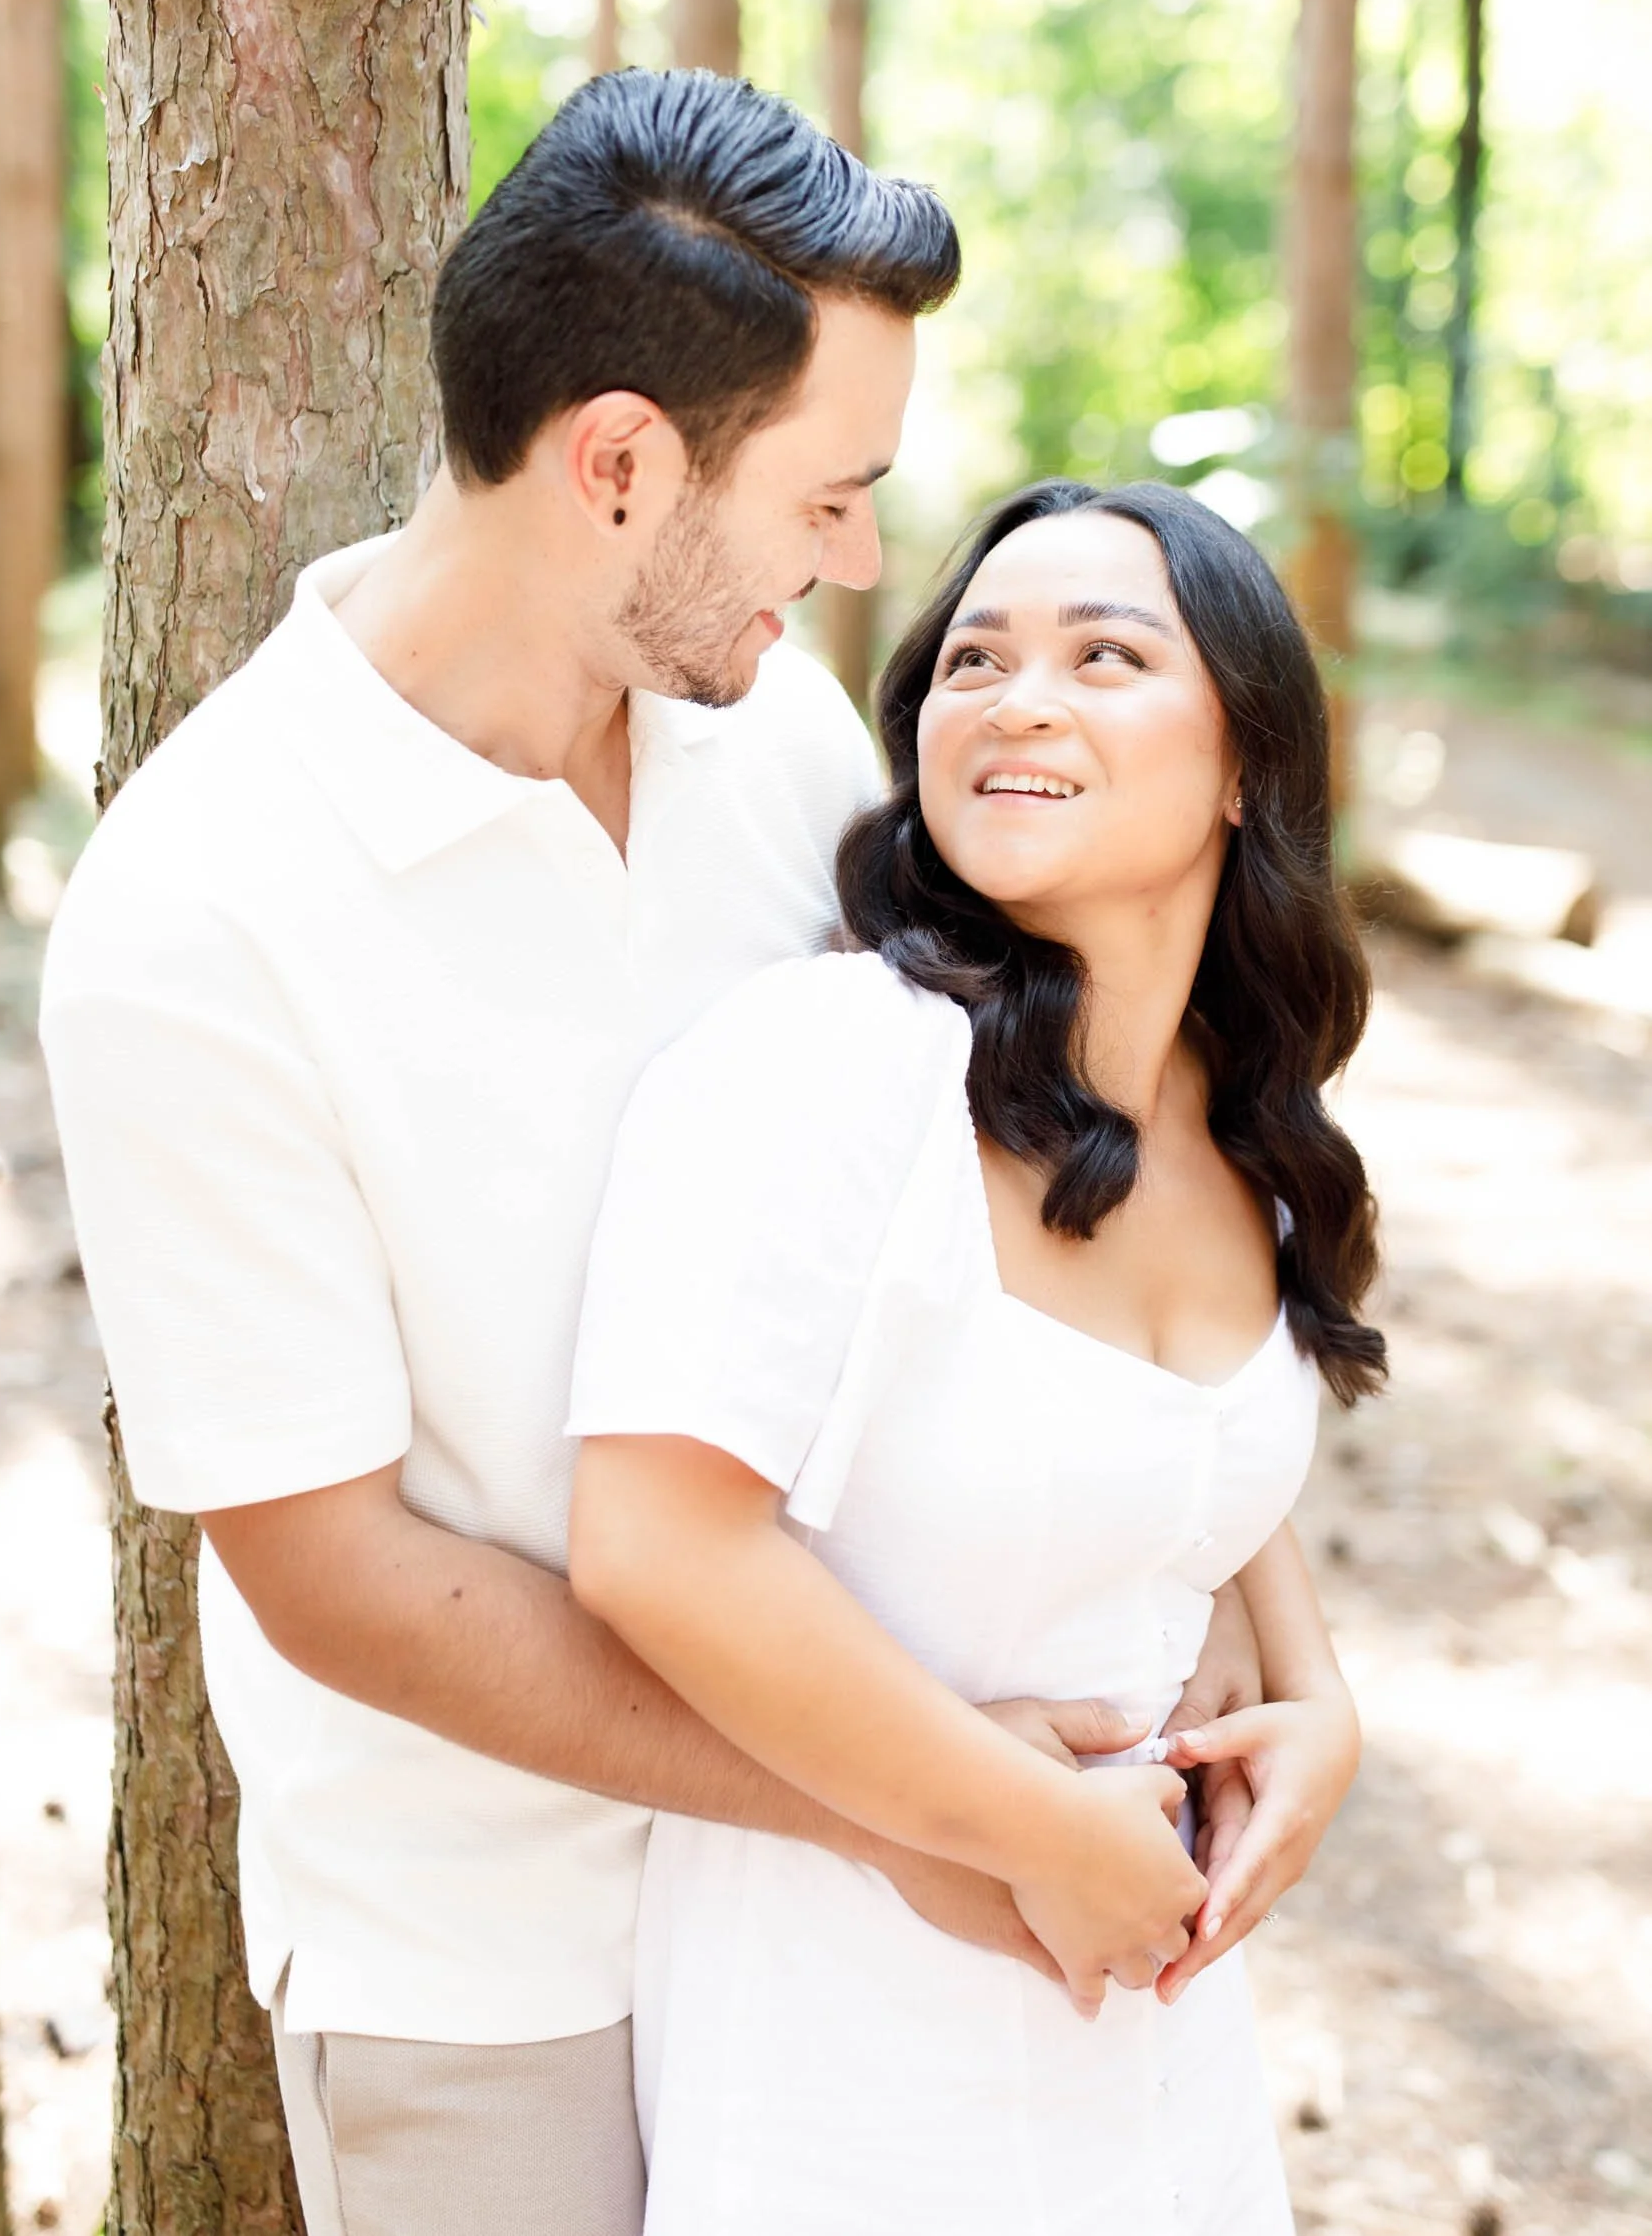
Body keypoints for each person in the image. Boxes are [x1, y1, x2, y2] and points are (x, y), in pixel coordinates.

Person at [38, 77, 1264, 2236]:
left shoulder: (773, 738)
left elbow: (1048, 1184)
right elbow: (338, 1578)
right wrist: (904, 1807)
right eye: (826, 491)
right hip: (497, 1965)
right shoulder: (199, 911)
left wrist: (1238, 1633)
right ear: (615, 460)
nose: (865, 559)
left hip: (870, 1905)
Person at [568, 478, 1386, 2235]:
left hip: (1158, 2044)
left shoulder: (1231, 1124)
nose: (1017, 698)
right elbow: (651, 1542)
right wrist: (1023, 1830)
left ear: (1245, 763)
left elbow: (1176, 1455)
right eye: (974, 660)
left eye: (1106, 655)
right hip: (849, 2046)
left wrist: (1313, 1700)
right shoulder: (838, 1066)